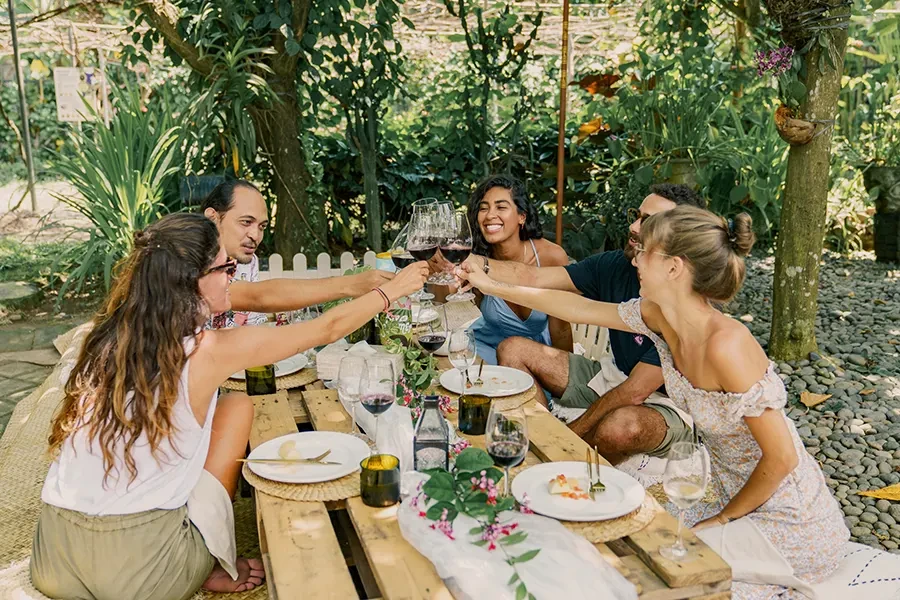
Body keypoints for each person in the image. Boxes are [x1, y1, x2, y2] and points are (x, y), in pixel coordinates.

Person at [32, 213, 429, 600]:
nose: (234, 277)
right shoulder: (208, 350)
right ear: (191, 280)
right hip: (142, 577)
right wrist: (392, 291)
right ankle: (214, 561)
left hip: (53, 559)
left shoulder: (107, 337)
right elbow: (324, 329)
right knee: (238, 408)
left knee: (231, 405)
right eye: (226, 269)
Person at [458, 206, 849, 598]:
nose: (636, 258)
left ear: (675, 268)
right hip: (736, 497)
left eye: (645, 251)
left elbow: (783, 459)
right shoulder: (659, 317)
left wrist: (721, 520)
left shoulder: (728, 345)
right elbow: (576, 307)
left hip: (788, 518)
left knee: (653, 571)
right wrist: (493, 286)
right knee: (611, 541)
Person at [462, 183, 705, 464]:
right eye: (637, 216)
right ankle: (535, 440)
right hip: (613, 376)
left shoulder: (684, 304)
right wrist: (474, 263)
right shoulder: (619, 266)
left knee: (620, 426)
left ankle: (552, 458)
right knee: (513, 349)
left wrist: (560, 441)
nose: (635, 227)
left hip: (667, 404)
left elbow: (636, 391)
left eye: (649, 222)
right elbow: (542, 284)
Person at [201, 179, 394, 329]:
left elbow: (253, 323)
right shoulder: (189, 260)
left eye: (262, 226)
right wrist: (353, 284)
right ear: (213, 218)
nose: (255, 235)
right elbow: (259, 297)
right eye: (245, 222)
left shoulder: (246, 262)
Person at [464, 174, 572, 364]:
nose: (490, 215)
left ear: (522, 216)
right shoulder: (479, 259)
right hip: (484, 350)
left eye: (501, 207)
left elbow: (561, 328)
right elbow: (445, 298)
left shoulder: (550, 257)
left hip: (535, 355)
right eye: (483, 208)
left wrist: (567, 379)